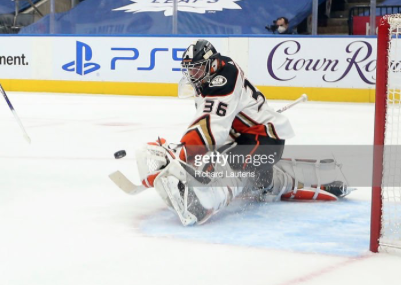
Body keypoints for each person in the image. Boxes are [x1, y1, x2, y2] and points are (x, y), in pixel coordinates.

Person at [135, 39, 352, 225]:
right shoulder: (211, 78)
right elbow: (212, 128)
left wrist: (182, 152)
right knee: (250, 175)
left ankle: (203, 204)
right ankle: (279, 183)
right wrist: (188, 156)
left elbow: (211, 128)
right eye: (189, 69)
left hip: (264, 140)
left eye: (196, 68)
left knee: (231, 167)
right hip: (248, 139)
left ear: (211, 65)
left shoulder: (224, 77)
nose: (192, 75)